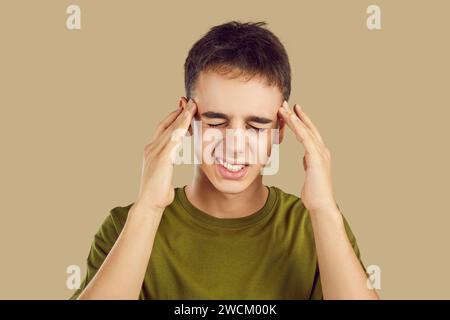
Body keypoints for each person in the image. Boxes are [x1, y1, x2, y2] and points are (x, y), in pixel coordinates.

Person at [70, 21, 379, 300]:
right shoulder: (126, 226)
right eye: (216, 123)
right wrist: (148, 208)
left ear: (280, 129)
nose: (234, 145)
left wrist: (324, 210)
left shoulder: (315, 227)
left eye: (256, 126)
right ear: (186, 120)